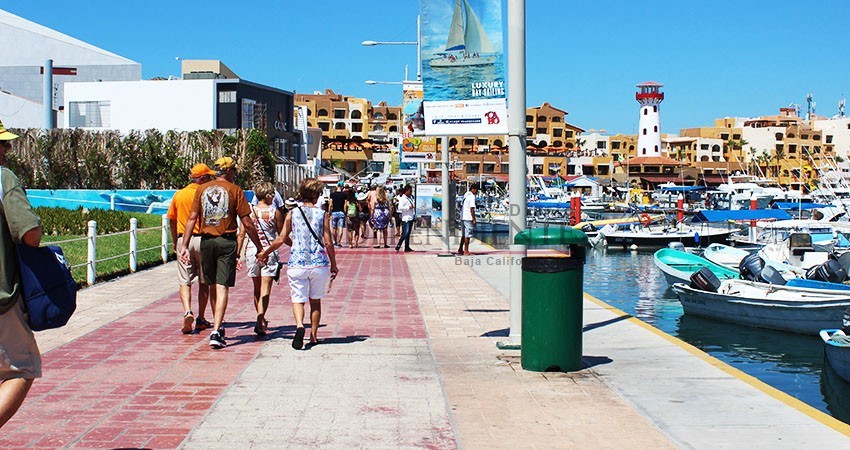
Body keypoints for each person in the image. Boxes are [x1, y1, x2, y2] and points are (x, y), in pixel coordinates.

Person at [180, 156, 264, 349]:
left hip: (206, 241)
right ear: (228, 171)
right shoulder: (235, 190)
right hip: (226, 241)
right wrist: (259, 247)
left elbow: (192, 218)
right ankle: (217, 330)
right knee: (222, 285)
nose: (235, 174)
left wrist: (184, 245)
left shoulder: (201, 189)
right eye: (234, 170)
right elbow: (247, 223)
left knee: (211, 285)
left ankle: (218, 323)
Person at [257, 178, 338, 349]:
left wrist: (265, 252)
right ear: (316, 195)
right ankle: (314, 336)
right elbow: (328, 242)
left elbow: (281, 238)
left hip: (297, 263)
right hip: (318, 263)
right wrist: (334, 264)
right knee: (315, 301)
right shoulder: (322, 214)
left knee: (298, 299)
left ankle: (300, 325)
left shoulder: (292, 214)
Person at [0, 121, 42, 427]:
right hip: (2, 298)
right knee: (21, 368)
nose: (8, 149)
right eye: (3, 144)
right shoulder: (3, 178)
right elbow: (30, 234)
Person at [167, 163, 217, 334]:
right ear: (202, 178)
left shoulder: (179, 195)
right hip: (204, 240)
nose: (210, 179)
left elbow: (172, 220)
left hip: (184, 240)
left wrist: (176, 242)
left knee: (184, 280)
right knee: (204, 280)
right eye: (209, 177)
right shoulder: (206, 194)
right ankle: (201, 317)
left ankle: (187, 310)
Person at [238, 181, 283, 336]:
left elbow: (241, 234)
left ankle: (260, 317)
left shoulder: (248, 212)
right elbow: (281, 235)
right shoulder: (275, 212)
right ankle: (261, 318)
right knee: (266, 290)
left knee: (256, 289)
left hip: (252, 251)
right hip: (269, 251)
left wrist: (238, 254)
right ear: (269, 195)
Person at [457, 185, 479, 256]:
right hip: (468, 217)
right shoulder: (472, 196)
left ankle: (460, 249)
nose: (477, 191)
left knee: (463, 234)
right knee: (468, 235)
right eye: (476, 190)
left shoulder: (466, 194)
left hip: (463, 217)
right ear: (473, 189)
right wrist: (474, 219)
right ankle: (466, 251)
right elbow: (472, 209)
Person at [395, 184, 415, 252]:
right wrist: (408, 207)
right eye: (410, 191)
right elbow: (400, 208)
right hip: (405, 218)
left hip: (410, 217)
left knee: (408, 234)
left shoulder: (411, 197)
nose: (411, 192)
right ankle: (398, 245)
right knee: (405, 233)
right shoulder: (402, 198)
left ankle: (407, 247)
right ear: (406, 191)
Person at [328, 182, 347, 247]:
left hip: (334, 213)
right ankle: (339, 242)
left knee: (334, 228)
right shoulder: (344, 195)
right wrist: (345, 212)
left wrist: (329, 212)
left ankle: (335, 241)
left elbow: (330, 204)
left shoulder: (332, 195)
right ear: (342, 187)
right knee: (340, 227)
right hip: (341, 212)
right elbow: (345, 204)